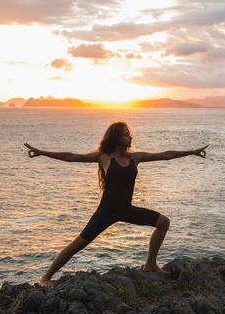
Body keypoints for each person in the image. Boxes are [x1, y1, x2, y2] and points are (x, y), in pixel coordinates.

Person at [24, 121, 208, 289]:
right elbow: (72, 157)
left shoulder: (135, 157)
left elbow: (166, 155)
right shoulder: (105, 158)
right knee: (78, 243)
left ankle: (150, 264)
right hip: (106, 212)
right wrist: (42, 152)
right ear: (116, 138)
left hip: (126, 210)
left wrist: (191, 151)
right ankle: (46, 277)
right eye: (126, 134)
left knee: (163, 223)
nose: (131, 137)